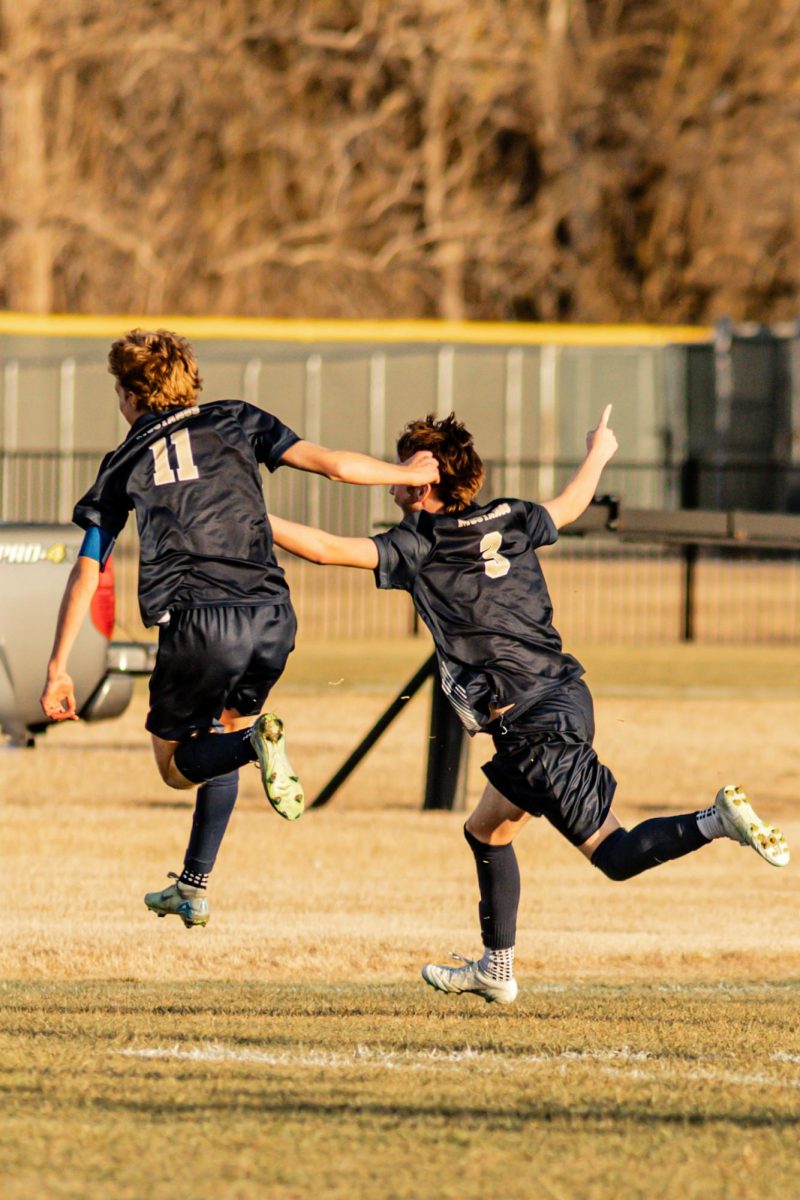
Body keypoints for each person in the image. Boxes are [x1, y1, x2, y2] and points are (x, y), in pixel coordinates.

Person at [268, 407, 791, 1002]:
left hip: (531, 724)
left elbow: (322, 548)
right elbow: (569, 506)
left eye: (402, 463)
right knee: (486, 831)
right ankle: (496, 968)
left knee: (616, 856)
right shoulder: (510, 515)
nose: (390, 474)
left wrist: (248, 516)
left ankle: (715, 819)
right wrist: (599, 451)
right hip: (561, 699)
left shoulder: (420, 544)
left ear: (426, 477)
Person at [40, 328, 438, 929]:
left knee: (178, 766)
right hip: (272, 615)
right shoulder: (235, 418)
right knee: (224, 734)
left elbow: (87, 569)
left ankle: (253, 748)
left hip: (200, 621)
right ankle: (194, 885)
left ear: (129, 394)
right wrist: (405, 475)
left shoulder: (123, 460)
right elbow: (331, 466)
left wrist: (57, 665)